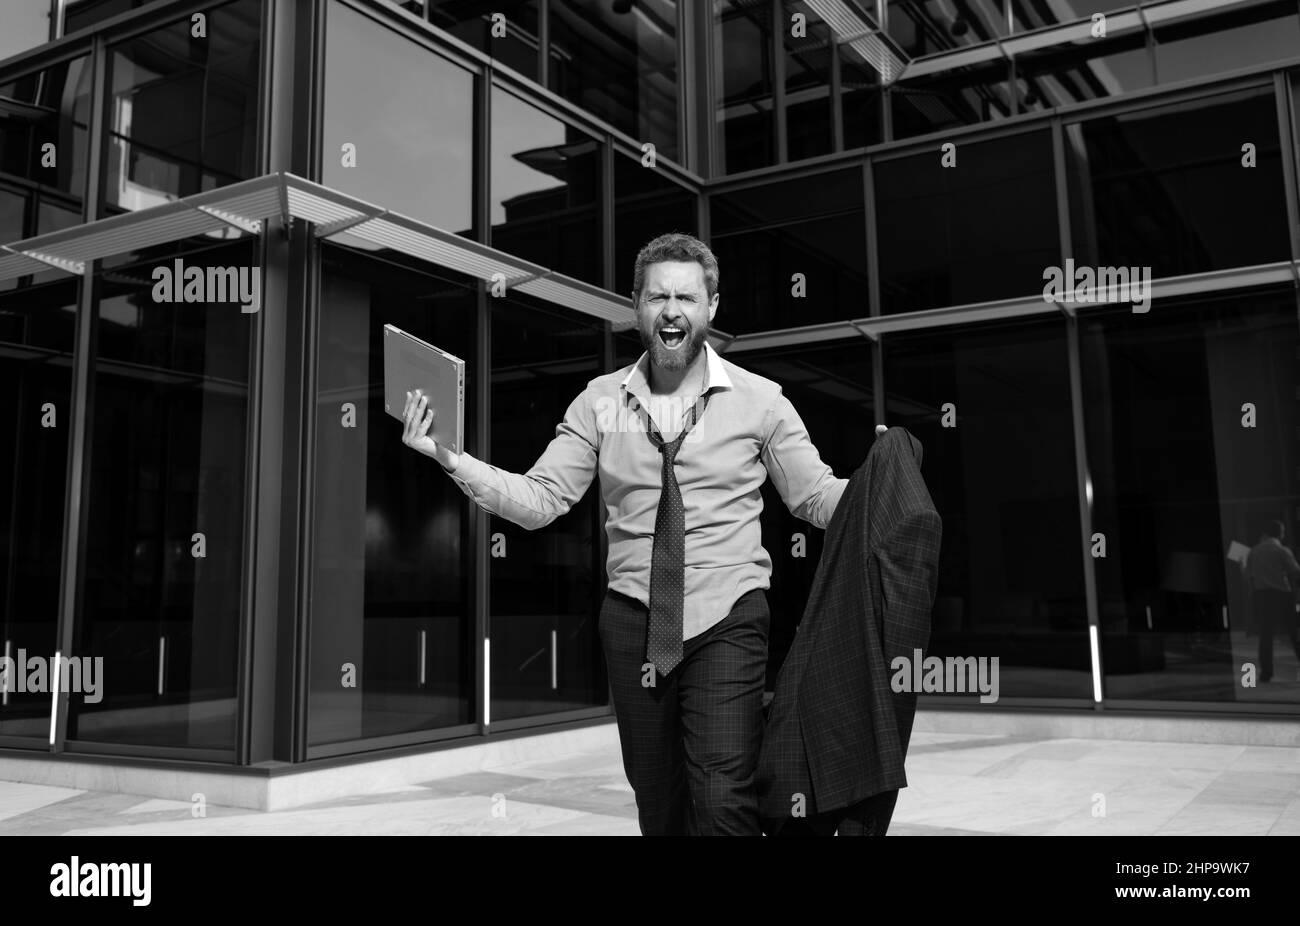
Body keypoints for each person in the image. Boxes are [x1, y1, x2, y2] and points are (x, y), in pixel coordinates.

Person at [400, 232, 864, 835]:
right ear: (637, 307)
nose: (672, 310)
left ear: (712, 307)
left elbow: (814, 496)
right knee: (657, 801)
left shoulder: (762, 402)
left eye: (687, 298)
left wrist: (880, 485)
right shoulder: (598, 403)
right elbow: (542, 499)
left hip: (727, 616)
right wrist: (452, 458)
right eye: (657, 297)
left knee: (722, 796)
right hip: (632, 620)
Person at [1245, 520, 1300, 682]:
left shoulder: (1253, 552)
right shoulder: (1282, 550)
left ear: (1265, 533)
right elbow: (1296, 572)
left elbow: (1249, 577)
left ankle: (1266, 673)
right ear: (1280, 533)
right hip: (1282, 596)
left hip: (1262, 597)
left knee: (1266, 637)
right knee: (1294, 634)